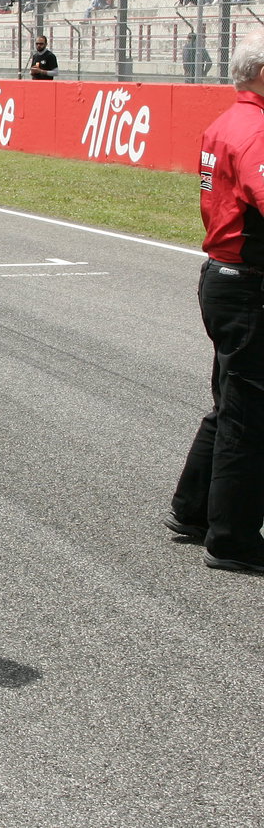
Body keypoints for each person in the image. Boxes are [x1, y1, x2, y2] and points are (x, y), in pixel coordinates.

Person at [167, 31, 264, 575]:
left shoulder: (225, 122)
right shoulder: (256, 130)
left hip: (224, 275)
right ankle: (233, 539)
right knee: (251, 417)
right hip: (249, 280)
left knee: (232, 402)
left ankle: (193, 509)